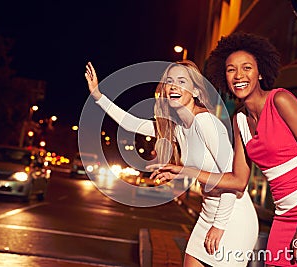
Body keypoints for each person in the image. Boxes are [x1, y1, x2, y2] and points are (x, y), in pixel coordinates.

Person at [150, 32, 297, 266]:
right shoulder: (240, 121)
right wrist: (186, 171)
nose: (239, 75)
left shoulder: (281, 101)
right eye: (231, 69)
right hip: (284, 216)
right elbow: (237, 181)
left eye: (247, 68)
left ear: (260, 72)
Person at [85, 60, 258, 266]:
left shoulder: (205, 123)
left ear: (195, 91)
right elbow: (132, 124)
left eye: (182, 81)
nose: (174, 86)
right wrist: (98, 96)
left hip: (232, 218)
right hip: (208, 213)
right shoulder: (177, 128)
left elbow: (232, 179)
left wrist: (219, 224)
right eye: (169, 81)